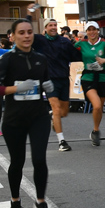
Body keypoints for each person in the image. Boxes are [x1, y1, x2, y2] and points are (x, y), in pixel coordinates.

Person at [0, 18, 54, 208]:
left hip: (38, 116)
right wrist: (16, 88)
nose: (26, 36)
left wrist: (51, 92)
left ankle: (41, 201)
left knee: (39, 159)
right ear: (13, 36)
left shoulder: (41, 58)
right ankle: (15, 201)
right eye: (22, 33)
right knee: (17, 162)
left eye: (29, 32)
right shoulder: (6, 60)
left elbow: (46, 81)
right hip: (14, 119)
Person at [35, 17, 81, 151]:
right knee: (56, 109)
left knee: (64, 112)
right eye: (50, 25)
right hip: (49, 80)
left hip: (64, 79)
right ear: (45, 28)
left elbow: (75, 55)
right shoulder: (40, 41)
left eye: (55, 25)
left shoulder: (64, 41)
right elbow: (26, 32)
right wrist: (30, 14)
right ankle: (62, 141)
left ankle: (54, 118)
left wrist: (89, 54)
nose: (53, 27)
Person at [77, 21, 105, 146]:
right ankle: (96, 130)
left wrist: (104, 60)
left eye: (94, 29)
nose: (92, 32)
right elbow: (68, 51)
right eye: (89, 30)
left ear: (98, 31)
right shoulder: (82, 43)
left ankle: (95, 130)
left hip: (102, 77)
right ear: (86, 32)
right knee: (97, 105)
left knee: (99, 109)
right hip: (88, 77)